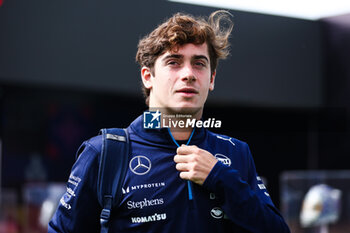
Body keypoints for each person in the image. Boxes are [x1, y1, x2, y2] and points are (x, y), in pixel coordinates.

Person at [48, 10, 291, 232]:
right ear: (147, 77)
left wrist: (219, 177)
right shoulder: (104, 153)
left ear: (212, 78)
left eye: (199, 63)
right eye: (173, 62)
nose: (188, 74)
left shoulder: (235, 152)